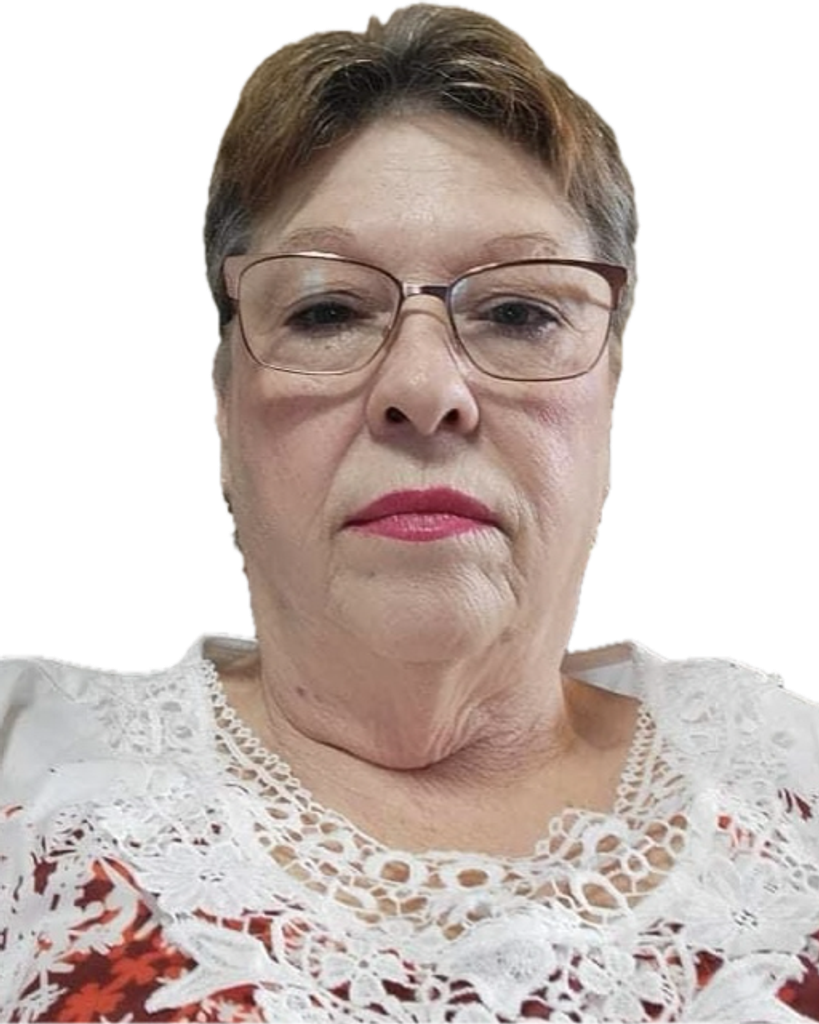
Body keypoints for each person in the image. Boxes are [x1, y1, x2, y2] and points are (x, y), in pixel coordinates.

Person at [1, 3, 817, 1021]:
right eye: (327, 311)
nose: (424, 389)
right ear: (222, 400)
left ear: (611, 388)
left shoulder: (792, 781)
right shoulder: (30, 766)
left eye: (519, 312)